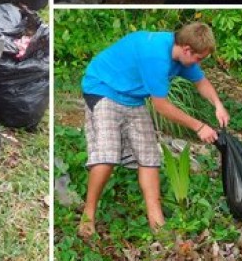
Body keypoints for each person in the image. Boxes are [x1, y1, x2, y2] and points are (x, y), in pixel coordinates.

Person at [78, 23, 230, 238]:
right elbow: (161, 106)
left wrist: (218, 105)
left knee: (149, 157)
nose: (199, 63)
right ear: (187, 50)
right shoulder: (156, 56)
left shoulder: (183, 55)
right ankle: (88, 216)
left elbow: (201, 81)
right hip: (103, 88)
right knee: (107, 155)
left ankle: (157, 224)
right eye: (199, 58)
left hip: (133, 98)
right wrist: (199, 126)